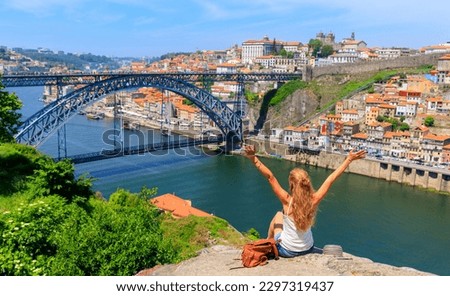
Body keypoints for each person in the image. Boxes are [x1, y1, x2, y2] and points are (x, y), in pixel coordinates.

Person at [243, 144, 366, 258]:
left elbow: (270, 177)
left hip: (287, 251)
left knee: (278, 215)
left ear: (291, 184)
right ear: (307, 183)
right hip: (308, 248)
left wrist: (253, 158)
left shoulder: (287, 201)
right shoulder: (314, 199)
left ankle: (268, 243)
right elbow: (331, 179)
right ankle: (270, 243)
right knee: (281, 217)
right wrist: (349, 159)